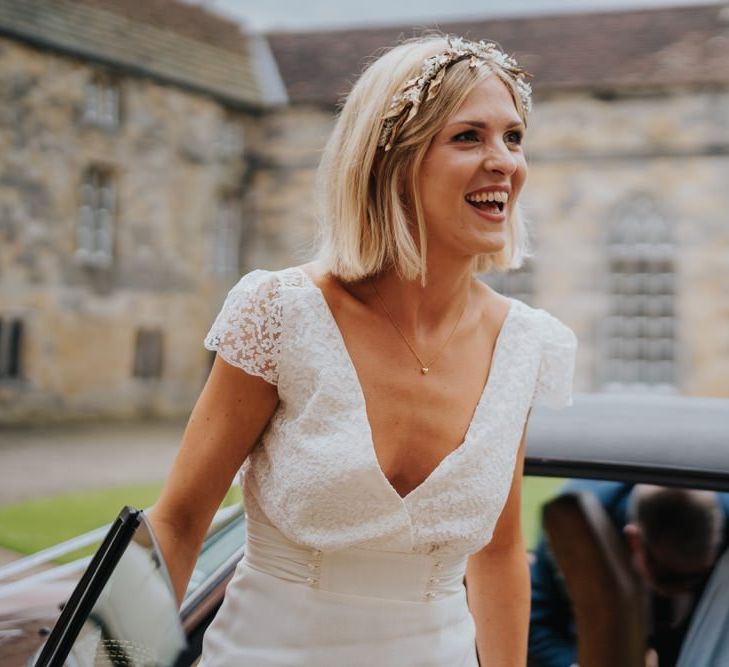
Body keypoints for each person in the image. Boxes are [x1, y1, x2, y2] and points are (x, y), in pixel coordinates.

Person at [149, 34, 577, 666]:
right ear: (392, 158)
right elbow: (179, 525)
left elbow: (498, 553)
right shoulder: (282, 312)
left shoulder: (524, 343)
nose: (504, 162)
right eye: (469, 137)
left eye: (513, 137)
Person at [528, 480, 729, 667]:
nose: (682, 589)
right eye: (669, 577)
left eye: (696, 577)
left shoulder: (721, 506)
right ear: (635, 540)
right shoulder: (576, 526)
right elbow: (535, 623)